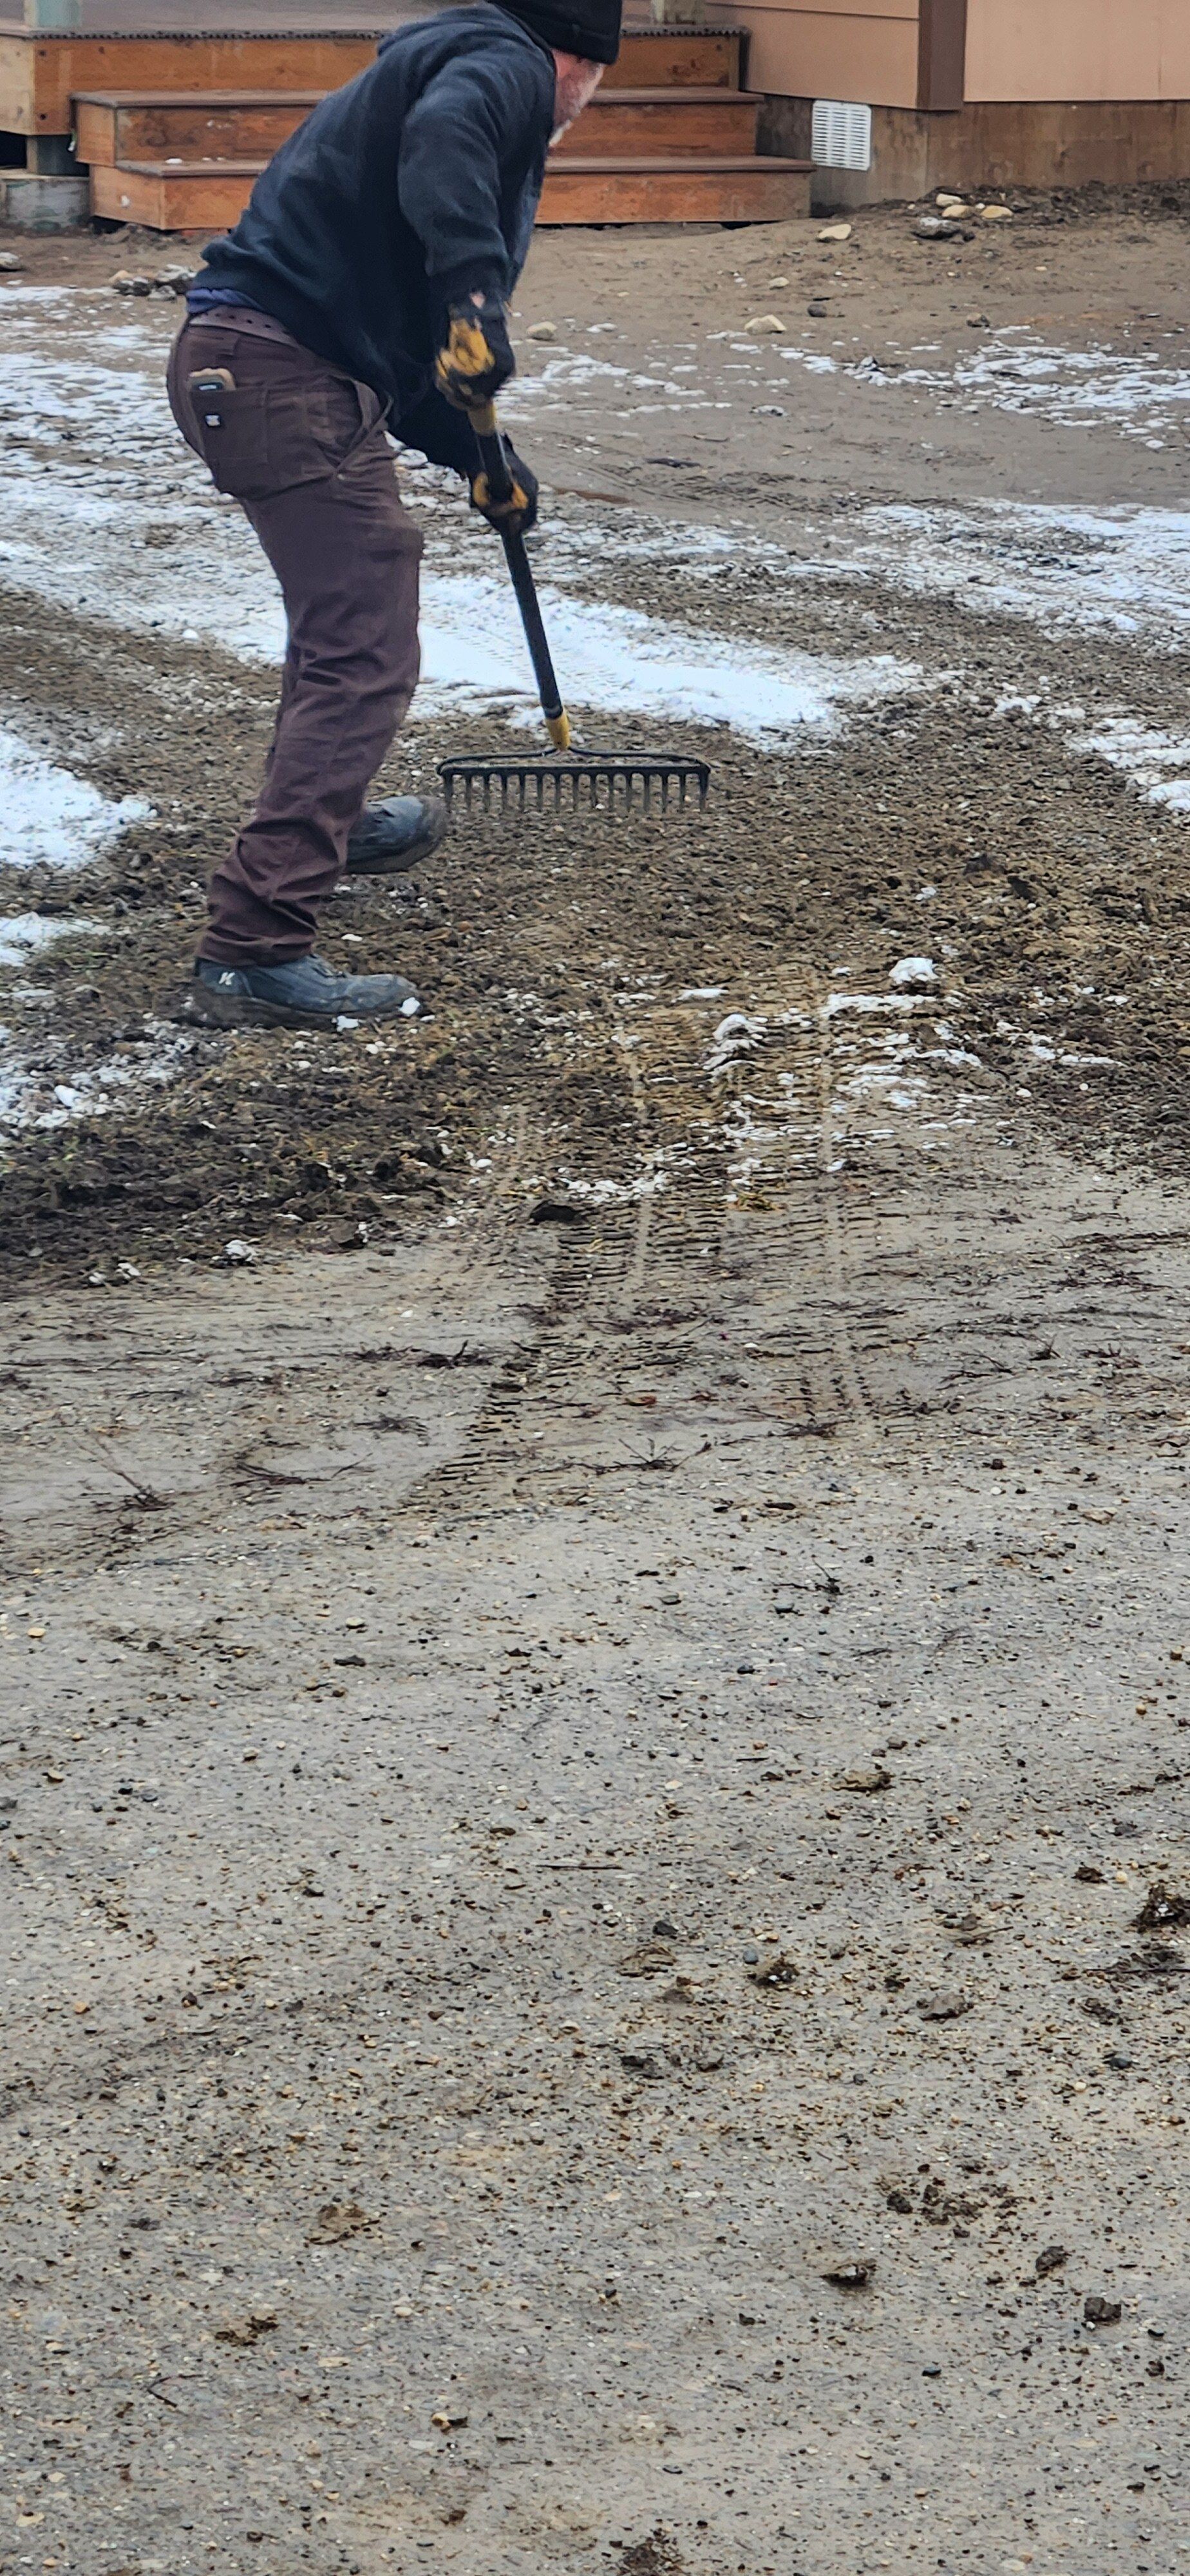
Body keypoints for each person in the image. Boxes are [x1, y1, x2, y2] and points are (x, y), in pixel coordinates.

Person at [168, 0, 621, 1032]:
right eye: (595, 89)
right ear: (580, 65)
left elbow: (404, 356)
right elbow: (449, 143)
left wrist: (482, 456)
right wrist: (475, 297)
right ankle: (255, 946)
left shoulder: (439, 67)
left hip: (268, 366)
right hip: (280, 375)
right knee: (363, 646)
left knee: (345, 623)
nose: (583, 110)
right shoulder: (501, 70)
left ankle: (326, 824)